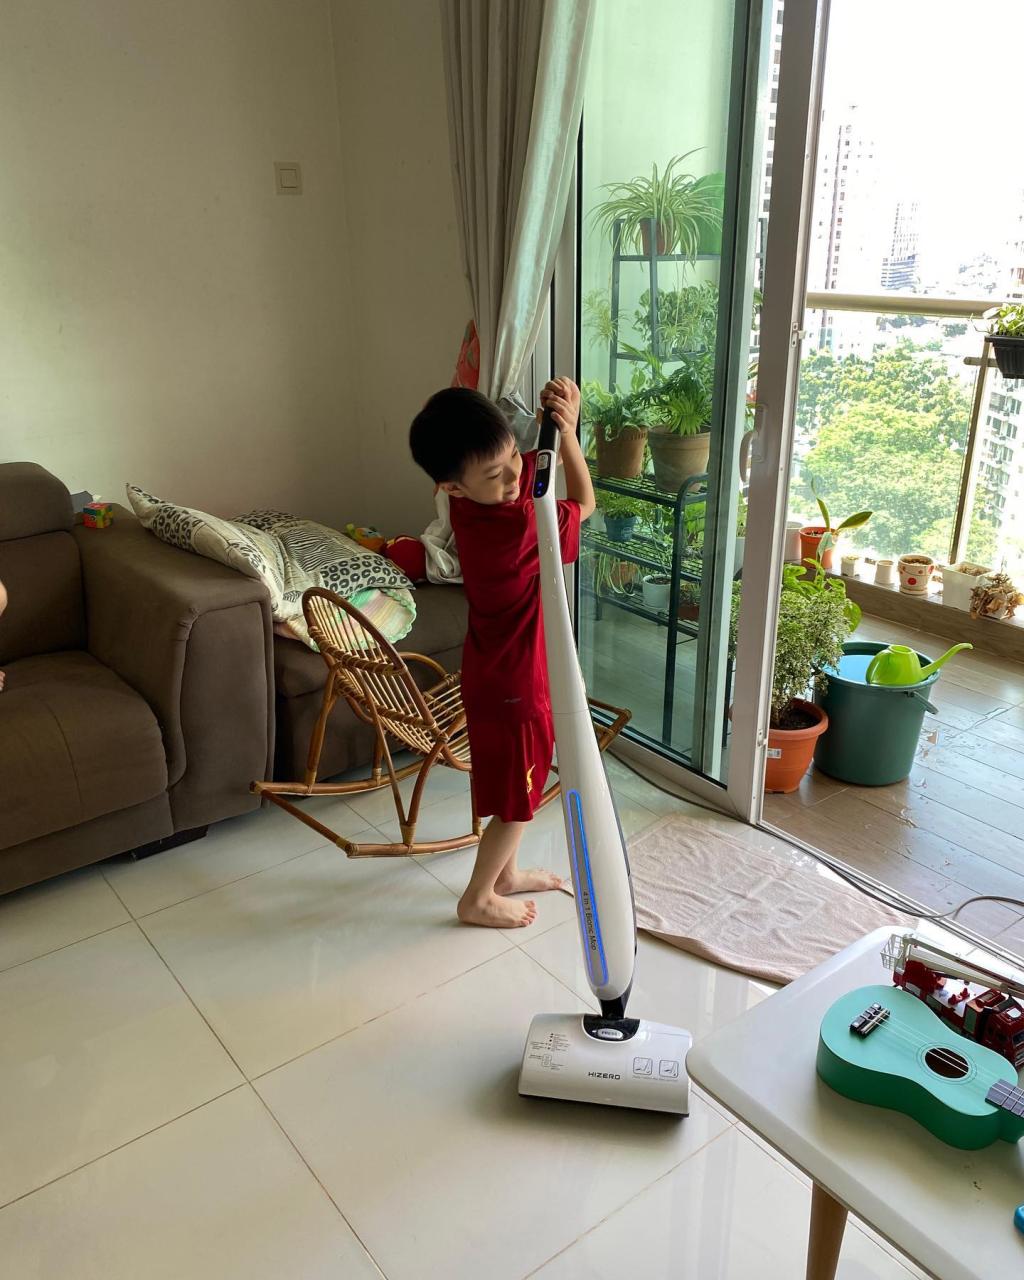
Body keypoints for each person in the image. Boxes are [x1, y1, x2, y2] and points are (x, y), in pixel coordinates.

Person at [409, 376, 594, 928]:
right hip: (519, 686)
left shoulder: (471, 507)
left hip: (488, 673)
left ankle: (506, 876)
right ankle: (479, 897)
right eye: (496, 473)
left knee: (509, 782)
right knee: (522, 801)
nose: (515, 476)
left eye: (515, 454)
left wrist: (549, 431)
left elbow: (526, 473)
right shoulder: (518, 526)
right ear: (453, 486)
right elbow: (584, 504)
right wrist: (570, 435)